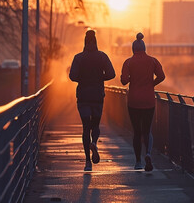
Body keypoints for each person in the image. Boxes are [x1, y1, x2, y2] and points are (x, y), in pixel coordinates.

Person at [69, 29, 116, 171]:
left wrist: (83, 78)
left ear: (85, 42)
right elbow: (112, 74)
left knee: (85, 128)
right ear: (96, 41)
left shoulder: (78, 58)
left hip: (83, 96)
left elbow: (72, 76)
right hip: (97, 96)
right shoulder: (102, 57)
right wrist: (100, 78)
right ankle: (94, 142)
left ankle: (88, 162)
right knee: (95, 125)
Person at [120, 32, 165, 171]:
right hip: (148, 101)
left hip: (133, 101)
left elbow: (123, 81)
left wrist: (128, 78)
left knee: (137, 132)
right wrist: (152, 84)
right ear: (144, 48)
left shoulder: (128, 62)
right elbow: (162, 76)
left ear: (133, 49)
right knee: (147, 130)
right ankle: (148, 153)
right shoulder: (152, 61)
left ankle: (138, 162)